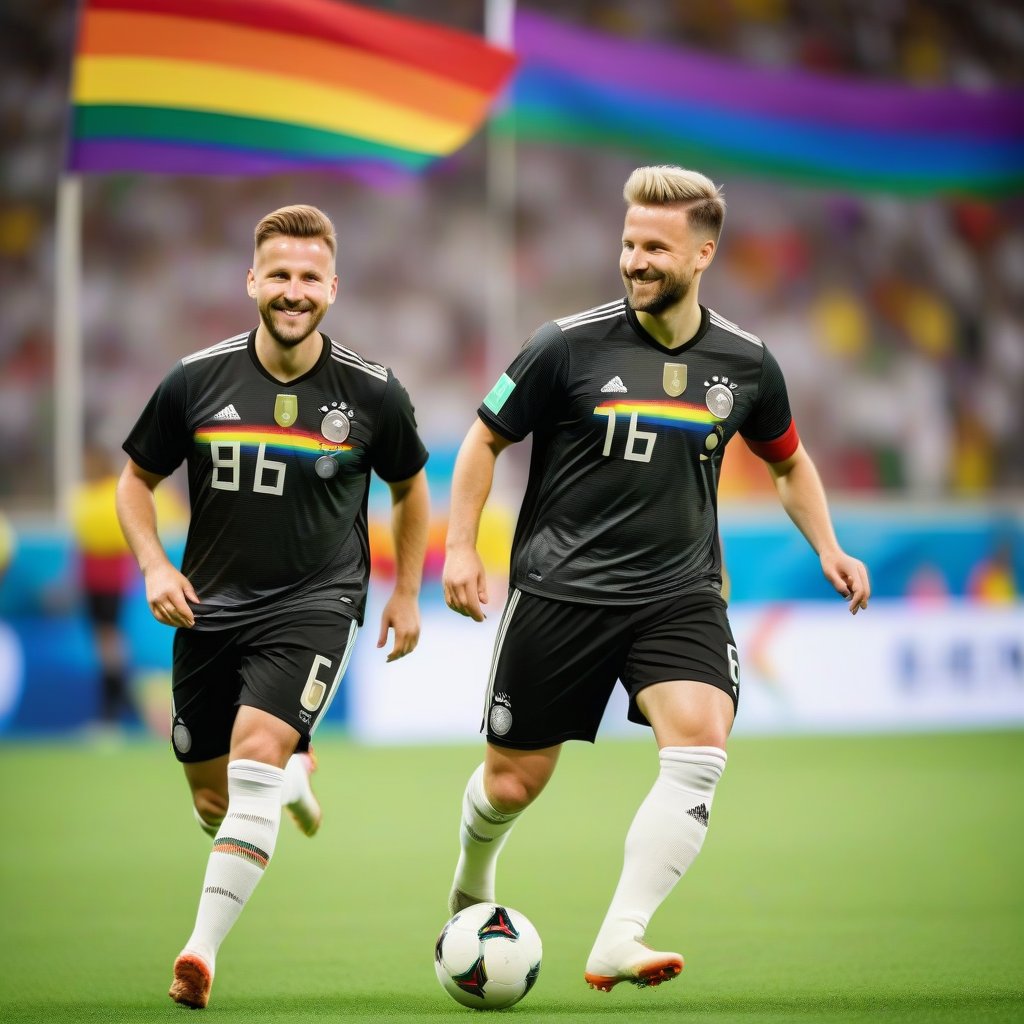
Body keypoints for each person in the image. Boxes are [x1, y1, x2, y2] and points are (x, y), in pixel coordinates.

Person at [442, 166, 870, 993]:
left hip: (679, 593)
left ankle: (619, 937)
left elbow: (787, 462)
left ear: (703, 253)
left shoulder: (745, 364)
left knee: (702, 740)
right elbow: (483, 440)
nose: (635, 260)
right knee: (510, 782)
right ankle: (473, 875)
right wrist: (462, 548)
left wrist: (828, 544)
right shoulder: (563, 344)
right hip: (559, 592)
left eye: (655, 248)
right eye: (629, 243)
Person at [115, 204, 430, 1009]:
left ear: (334, 287)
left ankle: (199, 952)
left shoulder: (373, 392)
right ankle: (290, 776)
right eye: (281, 275)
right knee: (215, 801)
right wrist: (153, 565)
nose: (295, 291)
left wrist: (402, 592)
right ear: (253, 280)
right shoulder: (195, 380)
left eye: (310, 277)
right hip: (207, 610)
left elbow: (408, 488)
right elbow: (134, 483)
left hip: (315, 604)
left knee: (253, 755)